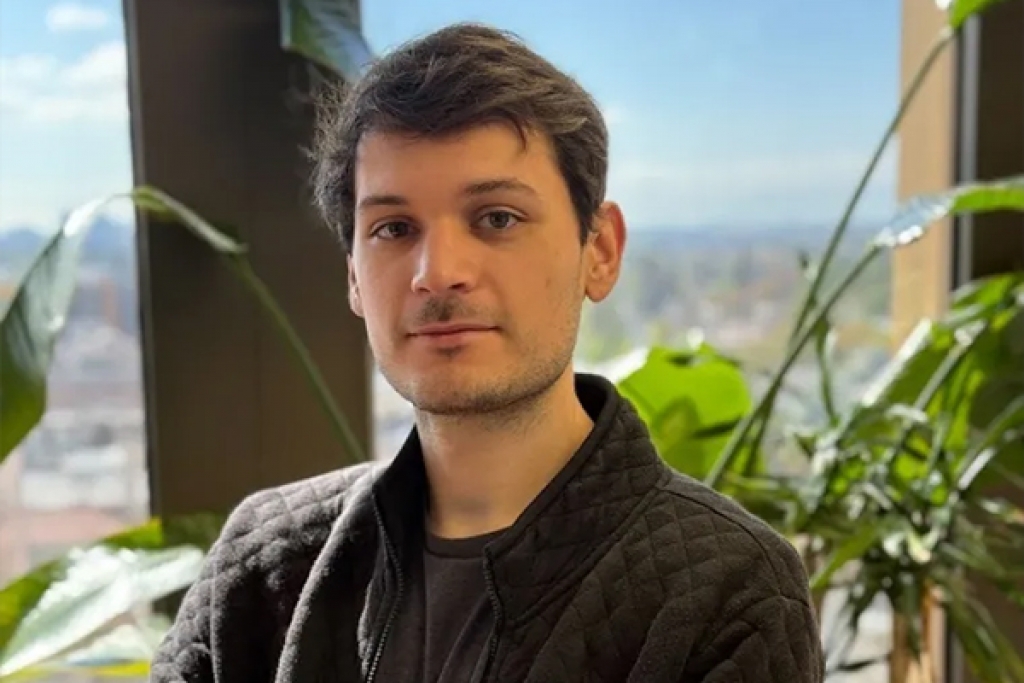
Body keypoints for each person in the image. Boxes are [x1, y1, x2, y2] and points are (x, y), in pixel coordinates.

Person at [151, 22, 824, 683]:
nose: (438, 272)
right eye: (394, 228)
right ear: (353, 275)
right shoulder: (266, 566)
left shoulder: (724, 592)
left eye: (497, 218)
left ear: (600, 250)